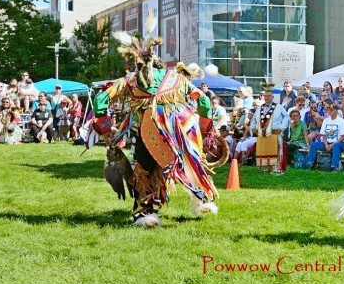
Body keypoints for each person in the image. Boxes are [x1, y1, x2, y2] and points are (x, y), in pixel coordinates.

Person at [92, 33, 222, 227]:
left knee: (145, 170)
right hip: (182, 130)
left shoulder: (131, 81)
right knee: (191, 162)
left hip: (150, 131)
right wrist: (203, 128)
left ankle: (146, 214)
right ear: (161, 63)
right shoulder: (178, 79)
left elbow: (100, 99)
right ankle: (201, 201)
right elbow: (202, 100)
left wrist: (105, 128)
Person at [250, 88, 290, 174]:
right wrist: (253, 128)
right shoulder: (259, 108)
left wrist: (281, 128)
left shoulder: (279, 107)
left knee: (275, 150)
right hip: (261, 134)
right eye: (266, 96)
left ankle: (275, 168)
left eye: (269, 96)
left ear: (273, 97)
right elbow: (253, 119)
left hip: (274, 133)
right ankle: (265, 168)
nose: (267, 98)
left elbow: (286, 117)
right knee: (263, 151)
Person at [306, 100, 344, 171]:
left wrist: (332, 145)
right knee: (314, 145)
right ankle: (310, 164)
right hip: (327, 142)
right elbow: (323, 135)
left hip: (340, 143)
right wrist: (326, 144)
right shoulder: (326, 121)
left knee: (336, 146)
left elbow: (343, 137)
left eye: (332, 110)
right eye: (329, 110)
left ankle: (334, 166)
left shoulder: (341, 121)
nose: (330, 112)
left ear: (336, 111)